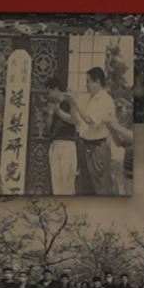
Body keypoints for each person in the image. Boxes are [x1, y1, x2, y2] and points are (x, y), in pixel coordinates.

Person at [62, 67, 132, 196]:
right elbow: (76, 120)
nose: (86, 85)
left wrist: (76, 102)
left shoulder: (104, 100)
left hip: (97, 149)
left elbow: (89, 120)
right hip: (85, 146)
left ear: (98, 82)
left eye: (88, 81)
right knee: (85, 190)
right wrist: (72, 103)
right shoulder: (90, 100)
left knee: (100, 189)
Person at [46, 92, 80, 196]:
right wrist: (50, 113)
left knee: (67, 179)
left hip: (67, 143)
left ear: (56, 89)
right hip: (55, 143)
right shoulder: (52, 104)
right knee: (56, 180)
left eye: (49, 90)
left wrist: (58, 111)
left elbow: (74, 120)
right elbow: (48, 127)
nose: (48, 93)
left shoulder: (69, 103)